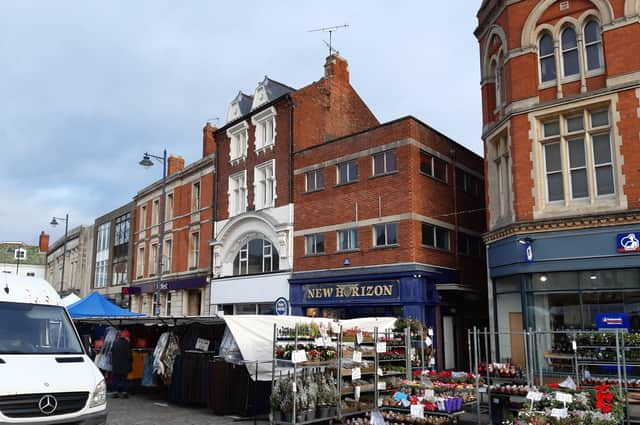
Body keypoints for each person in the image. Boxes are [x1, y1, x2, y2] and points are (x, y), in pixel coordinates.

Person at [111, 329, 133, 398]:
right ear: (126, 337)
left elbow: (112, 353)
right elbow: (129, 356)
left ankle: (115, 392)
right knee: (124, 379)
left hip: (115, 365)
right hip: (124, 365)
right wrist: (130, 364)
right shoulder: (127, 344)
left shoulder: (115, 342)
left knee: (115, 379)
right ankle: (124, 393)